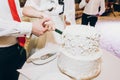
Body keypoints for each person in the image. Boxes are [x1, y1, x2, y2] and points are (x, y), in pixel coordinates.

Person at [0, 0, 55, 80]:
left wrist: (42, 15)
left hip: (18, 47)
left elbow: (11, 12)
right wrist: (30, 27)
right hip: (3, 52)